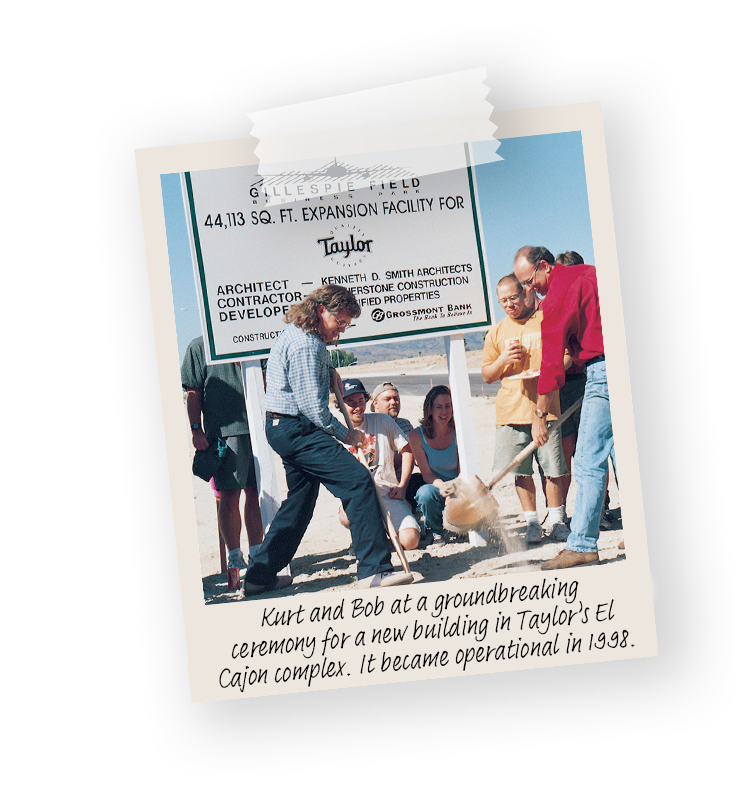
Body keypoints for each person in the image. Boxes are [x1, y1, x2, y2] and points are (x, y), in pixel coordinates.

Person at [242, 284, 411, 595]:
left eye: (347, 324)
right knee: (358, 481)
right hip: (297, 429)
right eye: (340, 322)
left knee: (300, 502)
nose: (341, 331)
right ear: (321, 311)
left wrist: (328, 371)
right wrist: (347, 433)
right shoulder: (307, 345)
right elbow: (312, 407)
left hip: (285, 428)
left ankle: (259, 576)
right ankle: (374, 570)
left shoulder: (304, 337)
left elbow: (301, 383)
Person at [514, 246, 614, 569]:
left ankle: (583, 543)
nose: (529, 290)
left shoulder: (556, 295)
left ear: (545, 266)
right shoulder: (592, 272)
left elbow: (551, 364)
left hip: (603, 371)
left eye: (530, 281)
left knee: (587, 459)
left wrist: (539, 415)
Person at [482, 275, 570, 543]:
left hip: (546, 408)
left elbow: (567, 355)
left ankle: (556, 520)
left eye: (513, 298)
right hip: (510, 411)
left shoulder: (545, 322)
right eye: (503, 301)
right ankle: (532, 523)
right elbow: (487, 374)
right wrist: (503, 360)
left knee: (554, 468)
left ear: (523, 295)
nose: (509, 304)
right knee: (520, 470)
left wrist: (549, 372)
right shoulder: (496, 332)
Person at [181, 337, 264, 572]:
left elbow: (268, 380)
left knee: (257, 492)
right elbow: (193, 391)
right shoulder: (199, 346)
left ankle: (257, 554)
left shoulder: (252, 339)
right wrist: (196, 430)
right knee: (229, 495)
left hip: (258, 428)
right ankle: (235, 557)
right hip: (226, 433)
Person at [336, 379, 421, 551]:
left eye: (361, 401)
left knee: (411, 541)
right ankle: (371, 533)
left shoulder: (382, 421)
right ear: (341, 405)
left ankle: (397, 524)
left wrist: (403, 485)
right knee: (345, 516)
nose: (358, 407)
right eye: (351, 402)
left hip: (388, 492)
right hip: (359, 498)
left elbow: (407, 450)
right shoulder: (337, 432)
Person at [370, 382, 427, 536]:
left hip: (404, 481)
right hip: (381, 485)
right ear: (375, 404)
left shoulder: (405, 424)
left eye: (396, 399)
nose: (393, 402)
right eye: (387, 399)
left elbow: (415, 455)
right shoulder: (370, 425)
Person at [408, 385, 460, 544]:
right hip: (434, 483)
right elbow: (427, 474)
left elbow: (463, 470)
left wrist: (455, 488)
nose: (444, 412)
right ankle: (437, 531)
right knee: (425, 494)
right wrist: (445, 489)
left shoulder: (460, 430)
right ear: (429, 410)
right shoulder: (416, 436)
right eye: (439, 407)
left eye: (448, 406)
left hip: (459, 481)